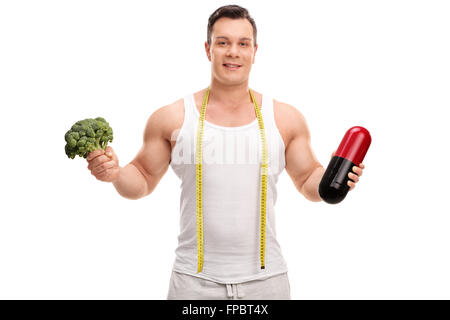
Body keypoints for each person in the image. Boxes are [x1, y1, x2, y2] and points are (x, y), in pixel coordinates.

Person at [85, 5, 365, 300]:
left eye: (243, 43)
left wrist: (336, 173)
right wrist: (115, 174)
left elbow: (309, 179)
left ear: (255, 51)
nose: (233, 52)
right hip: (193, 282)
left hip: (266, 283)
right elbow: (140, 179)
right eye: (223, 42)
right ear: (208, 49)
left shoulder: (285, 118)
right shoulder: (173, 118)